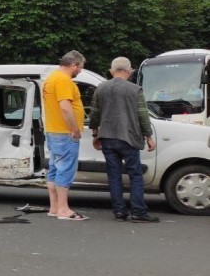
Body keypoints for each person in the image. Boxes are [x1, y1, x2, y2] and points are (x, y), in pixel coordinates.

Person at [89, 57, 159, 223]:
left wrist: (95, 134)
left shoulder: (101, 88)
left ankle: (119, 211)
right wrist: (149, 136)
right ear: (130, 71)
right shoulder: (135, 90)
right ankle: (138, 211)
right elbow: (143, 115)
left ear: (112, 71)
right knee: (135, 175)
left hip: (107, 137)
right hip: (128, 137)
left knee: (114, 176)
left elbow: (94, 114)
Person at [43, 50, 88, 221]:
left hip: (53, 131)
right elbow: (65, 107)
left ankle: (54, 207)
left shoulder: (51, 78)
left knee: (54, 169)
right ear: (73, 65)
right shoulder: (63, 80)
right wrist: (75, 129)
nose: (80, 71)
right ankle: (63, 209)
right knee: (65, 170)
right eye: (80, 67)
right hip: (64, 132)